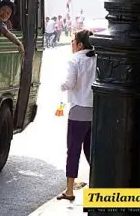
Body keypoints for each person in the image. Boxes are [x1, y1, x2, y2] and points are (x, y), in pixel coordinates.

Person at [57, 29, 96, 201]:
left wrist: (62, 86)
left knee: (73, 150)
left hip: (78, 109)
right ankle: (97, 183)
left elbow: (70, 82)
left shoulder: (75, 60)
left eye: (73, 40)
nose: (71, 43)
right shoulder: (97, 58)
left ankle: (70, 190)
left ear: (80, 44)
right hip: (95, 110)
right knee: (91, 150)